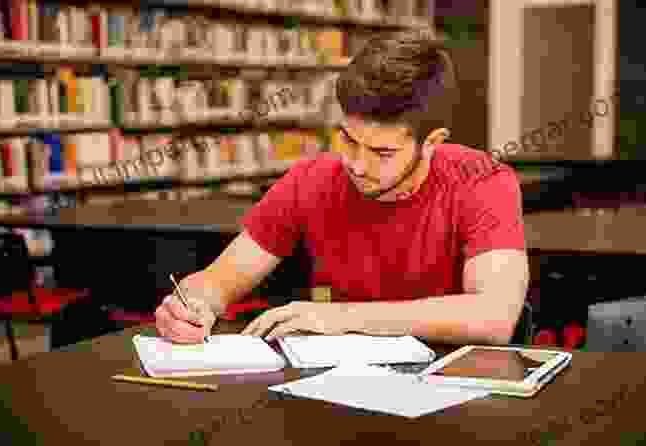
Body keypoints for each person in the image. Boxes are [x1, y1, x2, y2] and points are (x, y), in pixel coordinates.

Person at [155, 29, 528, 345]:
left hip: (450, 390)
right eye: (348, 140)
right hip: (330, 389)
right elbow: (220, 279)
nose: (356, 164)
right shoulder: (311, 179)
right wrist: (191, 304)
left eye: (382, 152)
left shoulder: (482, 180)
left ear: (433, 142)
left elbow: (494, 316)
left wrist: (341, 317)